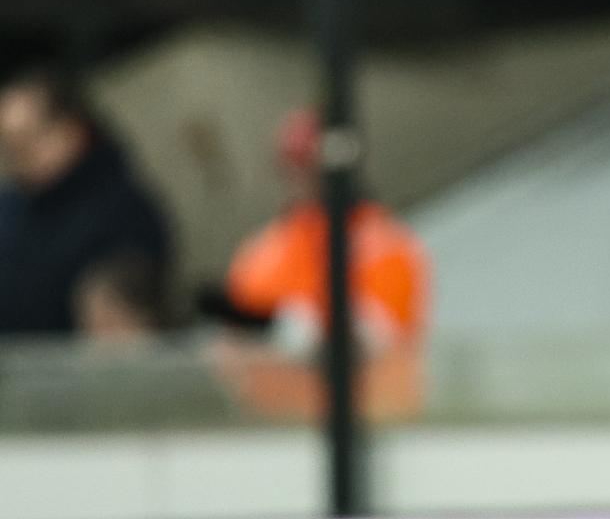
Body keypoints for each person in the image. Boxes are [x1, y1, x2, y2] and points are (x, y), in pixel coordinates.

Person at [202, 107, 430, 420]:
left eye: (313, 169)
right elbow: (227, 352)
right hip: (275, 431)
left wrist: (287, 333)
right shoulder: (261, 252)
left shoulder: (385, 246)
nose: (304, 181)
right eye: (295, 168)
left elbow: (369, 341)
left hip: (370, 429)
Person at [0, 57, 173, 337]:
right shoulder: (11, 207)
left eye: (25, 142)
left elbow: (120, 327)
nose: (17, 160)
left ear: (71, 131)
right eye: (8, 148)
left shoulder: (124, 213)